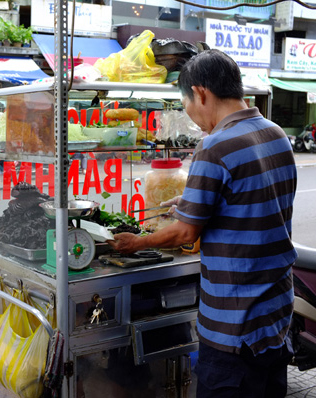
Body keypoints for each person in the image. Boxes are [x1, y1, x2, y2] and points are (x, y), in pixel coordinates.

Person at [108, 49, 297, 397]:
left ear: (200, 93)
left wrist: (136, 243)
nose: (192, 117)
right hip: (276, 319)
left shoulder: (214, 146)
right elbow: (256, 200)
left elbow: (184, 232)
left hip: (234, 329)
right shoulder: (276, 134)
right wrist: (192, 201)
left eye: (187, 105)